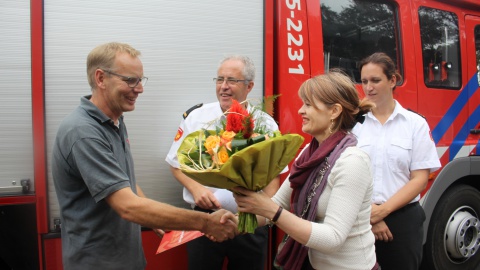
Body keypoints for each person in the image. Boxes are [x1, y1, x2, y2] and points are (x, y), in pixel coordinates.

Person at [51, 42, 237, 270]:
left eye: (140, 80)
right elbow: (127, 206)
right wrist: (204, 223)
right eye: (130, 80)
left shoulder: (113, 121)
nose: (139, 89)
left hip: (125, 259)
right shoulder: (84, 133)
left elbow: (123, 182)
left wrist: (155, 215)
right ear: (101, 79)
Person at [233, 71, 378, 270]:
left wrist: (271, 211)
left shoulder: (352, 161)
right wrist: (234, 222)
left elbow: (333, 238)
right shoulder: (309, 154)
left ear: (334, 111)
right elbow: (277, 203)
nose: (300, 111)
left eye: (308, 105)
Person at [166, 55, 283, 270]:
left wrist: (262, 210)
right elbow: (175, 163)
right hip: (204, 221)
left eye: (232, 81)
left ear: (249, 86)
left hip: (249, 223)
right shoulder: (196, 117)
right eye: (220, 80)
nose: (224, 87)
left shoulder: (265, 123)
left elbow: (274, 177)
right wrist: (197, 189)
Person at [352, 52, 441, 270]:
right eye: (364, 81)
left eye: (375, 80)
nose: (368, 87)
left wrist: (382, 212)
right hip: (359, 215)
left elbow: (419, 179)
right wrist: (371, 214)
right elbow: (345, 172)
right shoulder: (353, 123)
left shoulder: (415, 124)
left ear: (393, 80)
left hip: (402, 221)